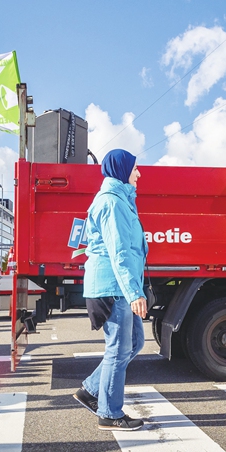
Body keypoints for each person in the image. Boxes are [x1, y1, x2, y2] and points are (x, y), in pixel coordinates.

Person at [72, 149, 148, 432]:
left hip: (120, 285)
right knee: (118, 349)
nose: (139, 174)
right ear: (122, 170)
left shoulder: (122, 200)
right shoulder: (112, 203)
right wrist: (134, 293)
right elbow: (119, 253)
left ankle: (91, 390)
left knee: (135, 342)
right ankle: (110, 413)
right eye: (135, 169)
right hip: (113, 286)